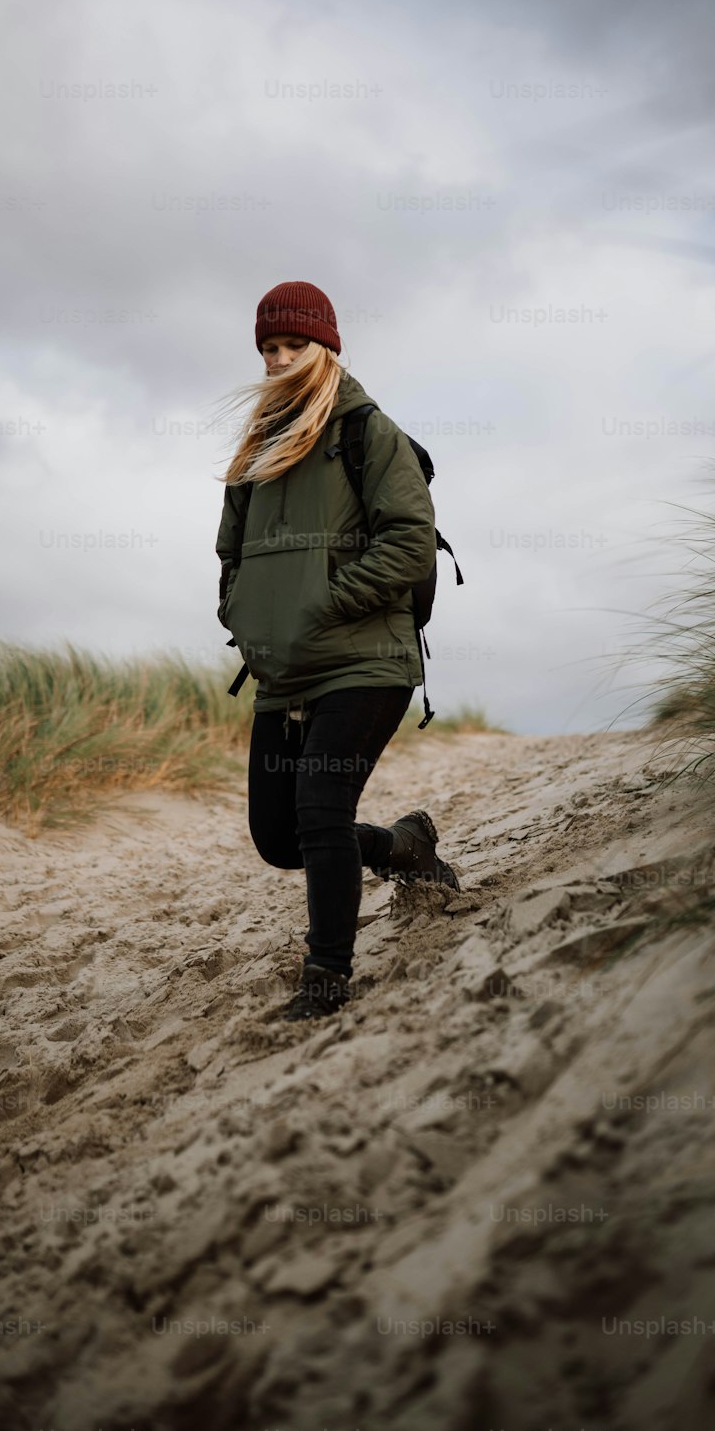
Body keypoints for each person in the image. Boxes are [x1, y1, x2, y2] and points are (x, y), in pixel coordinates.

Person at [214, 280, 460, 1022]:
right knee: (279, 837)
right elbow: (230, 553)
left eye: (292, 345)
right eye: (268, 349)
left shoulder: (367, 433)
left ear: (325, 347)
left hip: (365, 661)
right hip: (286, 669)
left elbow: (411, 540)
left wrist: (322, 603)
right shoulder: (256, 450)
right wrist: (245, 615)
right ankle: (402, 846)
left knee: (320, 811)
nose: (279, 359)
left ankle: (325, 980)